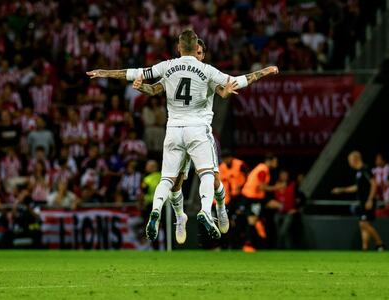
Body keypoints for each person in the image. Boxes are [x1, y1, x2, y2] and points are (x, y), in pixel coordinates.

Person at [87, 29, 279, 242]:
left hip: (174, 130)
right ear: (194, 48)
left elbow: (136, 73)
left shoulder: (168, 67)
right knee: (199, 177)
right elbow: (235, 83)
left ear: (181, 48)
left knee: (173, 179)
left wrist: (105, 73)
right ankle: (194, 214)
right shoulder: (206, 70)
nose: (199, 54)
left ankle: (201, 210)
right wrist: (265, 71)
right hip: (197, 130)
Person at [133, 39, 241, 244]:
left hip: (192, 131)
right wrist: (143, 88)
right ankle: (181, 217)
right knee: (176, 183)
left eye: (200, 53)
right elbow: (155, 89)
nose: (197, 56)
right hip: (186, 132)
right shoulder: (174, 74)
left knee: (214, 178)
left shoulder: (205, 73)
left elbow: (222, 92)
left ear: (202, 54)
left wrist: (226, 92)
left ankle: (220, 208)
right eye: (196, 52)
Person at [332, 151, 385, 251]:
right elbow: (357, 187)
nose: (349, 163)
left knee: (363, 223)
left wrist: (370, 199)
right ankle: (365, 248)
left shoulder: (365, 169)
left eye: (349, 160)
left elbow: (374, 184)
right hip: (363, 202)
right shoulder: (359, 172)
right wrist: (342, 190)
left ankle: (380, 243)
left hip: (367, 201)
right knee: (363, 225)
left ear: (355, 159)